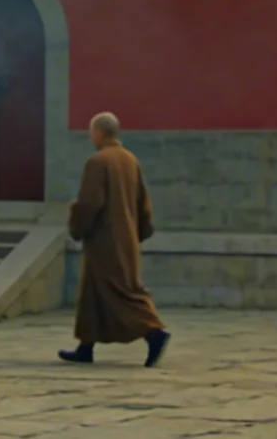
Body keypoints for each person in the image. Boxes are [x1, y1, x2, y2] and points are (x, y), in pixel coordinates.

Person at [60, 111, 169, 366]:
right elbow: (143, 202)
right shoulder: (130, 159)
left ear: (98, 133)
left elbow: (90, 202)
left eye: (92, 133)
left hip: (104, 240)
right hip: (125, 237)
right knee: (93, 293)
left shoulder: (98, 162)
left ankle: (154, 332)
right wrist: (141, 231)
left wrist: (76, 225)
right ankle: (85, 346)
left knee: (120, 290)